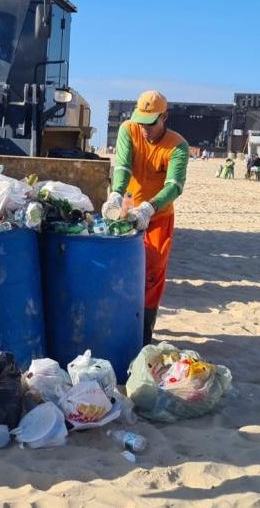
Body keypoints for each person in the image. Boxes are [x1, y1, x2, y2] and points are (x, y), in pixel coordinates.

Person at [102, 90, 188, 345]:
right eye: (141, 122)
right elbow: (124, 165)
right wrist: (117, 194)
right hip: (128, 209)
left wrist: (150, 208)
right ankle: (117, 322)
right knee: (119, 266)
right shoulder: (129, 129)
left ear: (165, 117)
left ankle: (143, 333)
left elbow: (175, 185)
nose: (145, 129)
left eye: (151, 124)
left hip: (158, 215)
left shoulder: (177, 146)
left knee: (152, 271)